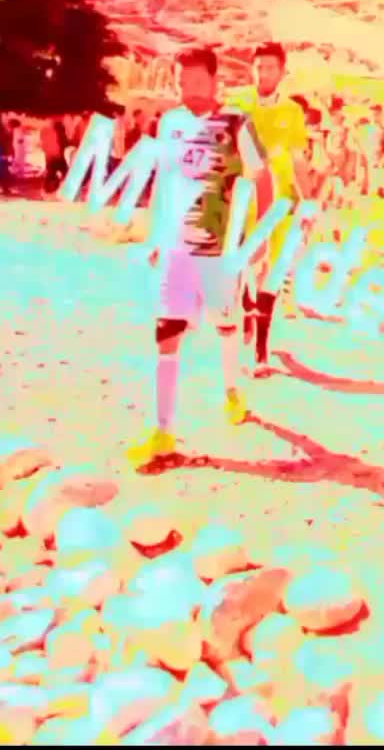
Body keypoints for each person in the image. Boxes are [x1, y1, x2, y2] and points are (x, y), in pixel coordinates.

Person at [126, 47, 273, 469]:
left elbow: (262, 180)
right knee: (166, 332)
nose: (187, 90)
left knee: (225, 323)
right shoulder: (170, 123)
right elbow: (165, 179)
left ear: (213, 81)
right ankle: (163, 431)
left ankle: (232, 390)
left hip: (219, 250)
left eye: (195, 82)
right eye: (181, 82)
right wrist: (156, 233)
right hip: (177, 246)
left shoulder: (236, 123)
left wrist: (260, 238)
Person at [240, 42, 313, 377]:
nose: (263, 73)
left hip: (279, 203)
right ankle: (246, 319)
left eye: (270, 68)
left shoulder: (292, 113)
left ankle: (260, 351)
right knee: (246, 269)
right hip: (244, 200)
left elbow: (298, 160)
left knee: (270, 271)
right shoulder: (238, 105)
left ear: (282, 72)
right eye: (259, 67)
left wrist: (308, 199)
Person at [41, 117, 68, 194]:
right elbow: (63, 143)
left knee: (51, 173)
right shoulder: (59, 131)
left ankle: (47, 189)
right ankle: (53, 188)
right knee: (64, 173)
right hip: (58, 156)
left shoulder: (44, 131)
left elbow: (43, 144)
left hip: (50, 156)